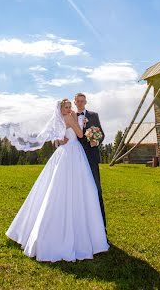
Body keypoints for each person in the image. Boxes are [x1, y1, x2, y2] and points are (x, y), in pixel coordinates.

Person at [5, 99, 109, 262]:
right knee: (71, 190)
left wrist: (82, 133)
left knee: (72, 190)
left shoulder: (63, 118)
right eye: (66, 107)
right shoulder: (68, 118)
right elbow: (79, 134)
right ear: (61, 109)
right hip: (71, 154)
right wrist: (75, 125)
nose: (69, 109)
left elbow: (59, 136)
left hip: (70, 153)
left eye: (70, 107)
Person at [56, 92, 106, 228]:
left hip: (90, 158)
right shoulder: (69, 116)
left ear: (86, 102)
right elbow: (58, 136)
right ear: (75, 102)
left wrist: (96, 140)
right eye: (77, 101)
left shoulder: (93, 116)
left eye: (82, 101)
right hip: (73, 159)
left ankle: (100, 227)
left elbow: (101, 134)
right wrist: (59, 141)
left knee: (96, 190)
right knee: (75, 190)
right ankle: (77, 224)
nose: (80, 103)